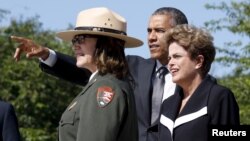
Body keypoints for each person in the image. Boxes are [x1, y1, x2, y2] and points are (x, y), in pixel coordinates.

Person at [13, 7, 189, 141]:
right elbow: (91, 69)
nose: (151, 37)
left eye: (159, 31)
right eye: (149, 31)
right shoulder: (130, 68)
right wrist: (46, 55)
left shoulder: (204, 86)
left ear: (181, 34)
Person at [158, 24, 240, 141]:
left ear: (198, 61)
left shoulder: (219, 97)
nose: (170, 63)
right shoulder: (167, 104)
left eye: (177, 56)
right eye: (169, 58)